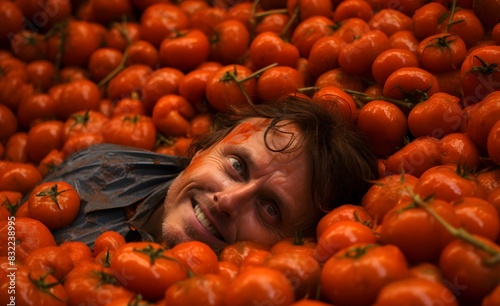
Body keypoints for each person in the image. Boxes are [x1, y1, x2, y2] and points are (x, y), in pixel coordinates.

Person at [41, 95, 379, 250]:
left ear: (294, 247)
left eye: (271, 209)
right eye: (237, 166)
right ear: (203, 148)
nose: (228, 201)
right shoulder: (94, 171)